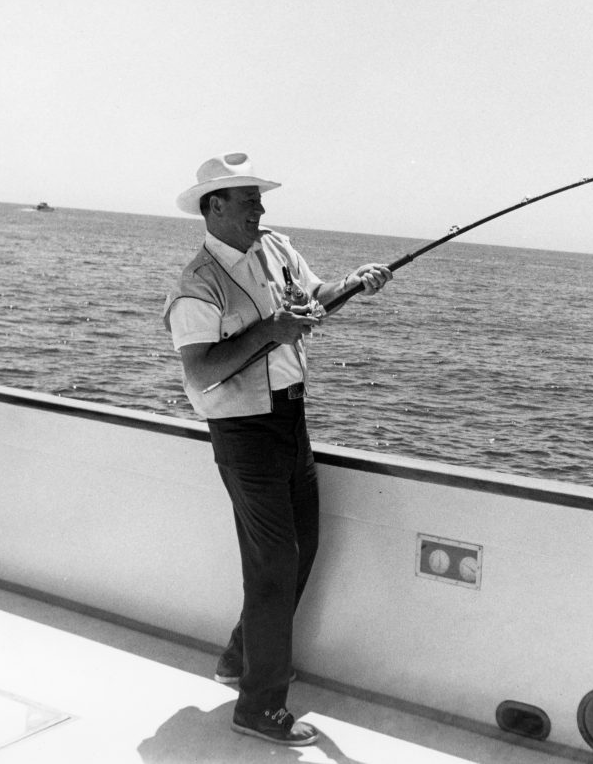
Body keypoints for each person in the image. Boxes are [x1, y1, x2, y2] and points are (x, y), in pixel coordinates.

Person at [164, 152, 391, 746]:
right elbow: (200, 376)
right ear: (214, 207)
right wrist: (270, 330)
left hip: (290, 420)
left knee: (301, 546)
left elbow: (314, 297)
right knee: (275, 562)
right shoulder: (197, 287)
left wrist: (352, 284)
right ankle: (259, 707)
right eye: (248, 200)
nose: (260, 209)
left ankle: (241, 658)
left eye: (260, 199)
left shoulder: (277, 248)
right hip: (243, 431)